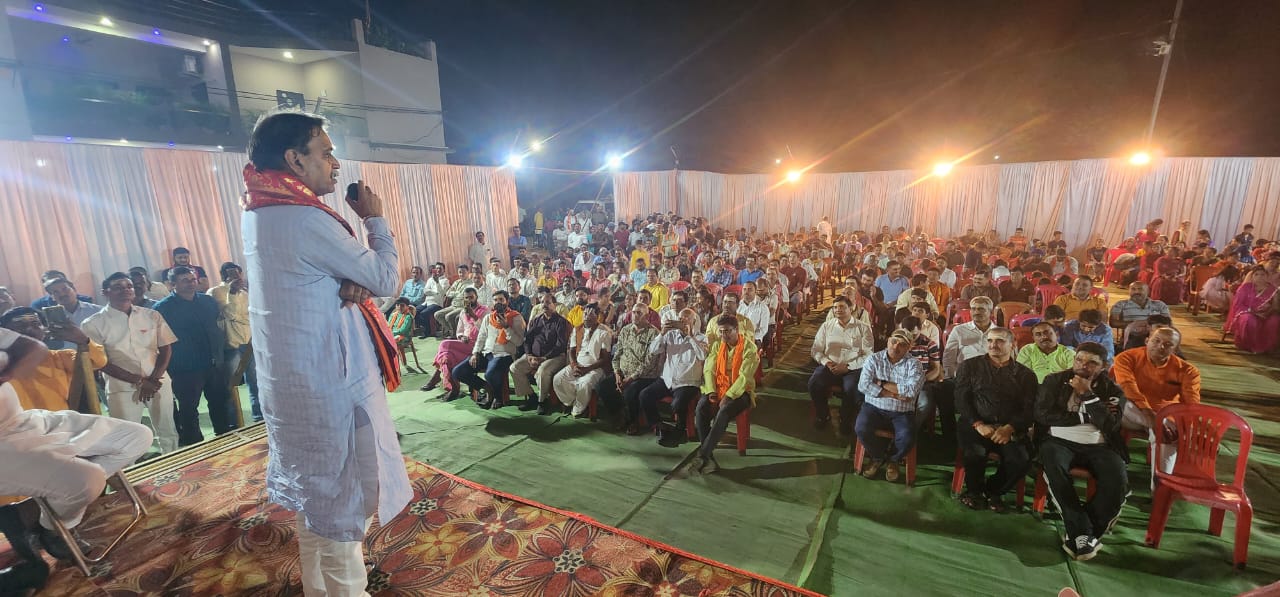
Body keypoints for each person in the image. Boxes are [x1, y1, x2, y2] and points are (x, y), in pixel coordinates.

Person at [241, 110, 410, 595]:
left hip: (297, 383)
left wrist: (347, 276)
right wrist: (375, 220)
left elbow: (345, 279)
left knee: (316, 501)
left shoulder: (261, 211)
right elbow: (383, 278)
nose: (335, 163)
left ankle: (321, 589)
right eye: (326, 151)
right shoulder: (306, 219)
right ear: (295, 159)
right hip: (329, 385)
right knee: (341, 502)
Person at [0, 325, 153, 574]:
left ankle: (35, 514)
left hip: (24, 421)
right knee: (87, 480)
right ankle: (53, 529)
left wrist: (6, 372)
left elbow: (33, 347)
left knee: (137, 436)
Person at [1035, 342, 1129, 562]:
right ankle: (1084, 535)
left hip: (1100, 444)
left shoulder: (1113, 391)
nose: (1083, 366)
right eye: (1079, 360)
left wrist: (1088, 396)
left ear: (1104, 366)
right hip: (1058, 440)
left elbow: (1110, 426)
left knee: (1117, 480)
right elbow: (1042, 415)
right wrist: (1084, 417)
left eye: (1091, 363)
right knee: (1055, 469)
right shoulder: (1054, 381)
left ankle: (1080, 534)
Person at [81, 273, 179, 454]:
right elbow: (101, 362)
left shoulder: (151, 315)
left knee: (167, 428)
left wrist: (153, 379)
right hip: (122, 385)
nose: (125, 290)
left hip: (158, 381)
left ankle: (173, 465)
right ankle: (133, 475)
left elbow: (166, 349)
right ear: (105, 292)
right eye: (118, 287)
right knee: (128, 435)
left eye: (129, 286)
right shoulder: (93, 324)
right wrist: (140, 381)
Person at [954, 327, 1038, 511]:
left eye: (999, 341)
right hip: (976, 425)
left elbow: (1029, 408)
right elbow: (961, 399)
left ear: (1012, 345)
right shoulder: (970, 366)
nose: (993, 345)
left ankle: (994, 491)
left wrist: (1010, 428)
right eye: (990, 341)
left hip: (1009, 428)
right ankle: (974, 492)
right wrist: (978, 424)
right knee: (975, 453)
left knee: (1021, 459)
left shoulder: (1026, 375)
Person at [154, 267, 235, 446]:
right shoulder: (162, 309)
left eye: (193, 280)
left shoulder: (207, 301)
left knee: (220, 402)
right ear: (172, 284)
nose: (191, 284)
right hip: (184, 367)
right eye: (185, 280)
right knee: (189, 408)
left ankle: (224, 438)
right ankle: (194, 445)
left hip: (213, 362)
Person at [0, 307, 106, 411]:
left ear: (45, 329)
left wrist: (83, 340)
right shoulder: (3, 363)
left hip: (58, 424)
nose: (29, 329)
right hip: (14, 426)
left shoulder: (61, 358)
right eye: (20, 325)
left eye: (35, 324)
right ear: (7, 332)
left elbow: (97, 362)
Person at [691, 314, 760, 474]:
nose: (724, 335)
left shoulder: (749, 348)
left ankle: (703, 454)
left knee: (724, 411)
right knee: (701, 408)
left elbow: (745, 377)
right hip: (718, 389)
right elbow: (709, 369)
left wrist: (729, 395)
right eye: (721, 331)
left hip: (741, 392)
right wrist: (712, 391)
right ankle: (709, 457)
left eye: (727, 331)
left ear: (737, 330)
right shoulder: (717, 346)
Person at [855, 330, 925, 482]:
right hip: (873, 407)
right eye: (893, 341)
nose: (896, 346)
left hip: (902, 411)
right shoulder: (874, 359)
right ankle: (878, 456)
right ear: (888, 341)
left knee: (907, 436)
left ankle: (894, 459)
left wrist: (880, 383)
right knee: (861, 428)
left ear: (909, 347)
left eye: (902, 344)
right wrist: (893, 394)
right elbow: (863, 385)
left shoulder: (915, 364)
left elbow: (911, 391)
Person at [640, 308, 707, 442]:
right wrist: (662, 333)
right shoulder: (670, 335)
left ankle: (680, 431)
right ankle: (658, 425)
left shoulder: (700, 337)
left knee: (678, 403)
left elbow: (702, 355)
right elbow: (653, 350)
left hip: (687, 382)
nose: (683, 320)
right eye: (681, 318)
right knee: (644, 395)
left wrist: (689, 336)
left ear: (694, 321)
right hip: (667, 380)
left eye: (687, 318)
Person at [809, 296, 873, 435]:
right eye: (835, 307)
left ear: (851, 309)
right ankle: (823, 414)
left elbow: (868, 355)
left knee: (852, 389)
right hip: (830, 366)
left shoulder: (863, 328)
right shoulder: (827, 326)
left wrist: (848, 366)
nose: (838, 310)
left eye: (842, 307)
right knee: (814, 383)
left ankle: (845, 419)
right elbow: (816, 350)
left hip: (853, 369)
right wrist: (827, 362)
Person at [452, 290, 525, 409]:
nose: (498, 302)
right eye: (495, 300)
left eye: (501, 300)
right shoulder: (488, 318)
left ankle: (498, 397)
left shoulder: (516, 317)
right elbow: (481, 338)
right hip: (486, 353)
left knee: (490, 373)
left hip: (505, 354)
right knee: (457, 372)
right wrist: (475, 353)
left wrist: (506, 327)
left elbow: (519, 342)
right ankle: (486, 388)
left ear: (507, 301)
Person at [208, 262, 259, 422]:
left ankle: (259, 418)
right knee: (231, 386)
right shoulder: (216, 291)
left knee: (255, 383)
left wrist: (241, 316)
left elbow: (253, 314)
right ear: (223, 275)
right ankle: (234, 423)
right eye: (231, 274)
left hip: (249, 342)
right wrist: (232, 292)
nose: (236, 277)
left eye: (238, 274)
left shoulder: (247, 291)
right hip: (232, 345)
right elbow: (230, 313)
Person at [603, 303, 662, 429]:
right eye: (634, 312)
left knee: (630, 391)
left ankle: (633, 421)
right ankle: (618, 414)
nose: (635, 315)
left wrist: (630, 379)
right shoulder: (626, 330)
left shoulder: (654, 334)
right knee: (602, 386)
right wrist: (617, 373)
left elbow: (649, 363)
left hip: (644, 376)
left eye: (639, 313)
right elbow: (617, 354)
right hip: (623, 372)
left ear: (647, 315)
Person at [510, 291, 569, 414]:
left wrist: (543, 358)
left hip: (555, 357)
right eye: (542, 302)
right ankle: (532, 397)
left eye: (548, 302)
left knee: (543, 371)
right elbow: (527, 339)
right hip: (534, 356)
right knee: (515, 367)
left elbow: (561, 345)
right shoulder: (537, 320)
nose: (544, 305)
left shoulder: (560, 322)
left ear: (555, 304)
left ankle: (542, 401)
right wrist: (529, 355)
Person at [424, 288, 487, 399]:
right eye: (466, 298)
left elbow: (485, 330)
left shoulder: (485, 310)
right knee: (447, 357)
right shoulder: (463, 312)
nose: (469, 300)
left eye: (471, 297)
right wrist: (461, 337)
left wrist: (474, 316)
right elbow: (459, 331)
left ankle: (437, 376)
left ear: (476, 297)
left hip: (478, 345)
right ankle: (454, 387)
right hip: (465, 344)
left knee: (444, 344)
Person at [552, 304, 612, 417]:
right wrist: (574, 365)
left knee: (585, 384)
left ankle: (578, 410)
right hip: (578, 365)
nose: (587, 317)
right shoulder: (577, 329)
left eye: (590, 314)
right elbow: (572, 350)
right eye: (585, 314)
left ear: (597, 316)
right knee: (558, 379)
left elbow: (605, 358)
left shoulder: (604, 332)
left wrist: (587, 369)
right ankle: (571, 402)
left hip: (596, 367)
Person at [1225, 266, 1280, 354]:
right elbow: (1238, 304)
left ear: (1267, 277)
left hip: (1266, 314)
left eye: (1262, 275)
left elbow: (1276, 307)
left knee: (1275, 320)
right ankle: (1248, 345)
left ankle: (1267, 347)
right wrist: (1252, 312)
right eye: (1256, 275)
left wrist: (1266, 313)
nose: (1259, 277)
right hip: (1247, 312)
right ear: (1252, 277)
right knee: (1248, 320)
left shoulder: (1273, 290)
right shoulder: (1245, 287)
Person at [943, 296, 999, 378]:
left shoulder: (999, 333)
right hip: (964, 376)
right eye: (973, 309)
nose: (976, 312)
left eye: (981, 309)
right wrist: (953, 378)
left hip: (990, 378)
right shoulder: (959, 330)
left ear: (990, 312)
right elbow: (948, 358)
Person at [415, 263, 450, 337]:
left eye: (440, 268)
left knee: (423, 313)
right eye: (437, 268)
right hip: (427, 302)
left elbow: (442, 293)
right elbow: (425, 291)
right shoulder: (430, 279)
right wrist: (435, 292)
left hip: (437, 303)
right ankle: (427, 330)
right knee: (414, 311)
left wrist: (437, 282)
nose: (438, 270)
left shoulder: (445, 281)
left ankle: (428, 332)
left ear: (444, 270)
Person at [387, 298, 415, 372]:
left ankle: (393, 365)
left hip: (404, 336)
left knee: (392, 341)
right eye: (397, 305)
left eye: (402, 305)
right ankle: (388, 364)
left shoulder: (408, 317)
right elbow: (388, 326)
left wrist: (390, 333)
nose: (399, 307)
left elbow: (403, 330)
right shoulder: (393, 315)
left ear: (407, 307)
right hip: (393, 334)